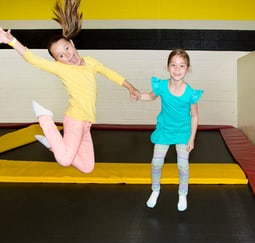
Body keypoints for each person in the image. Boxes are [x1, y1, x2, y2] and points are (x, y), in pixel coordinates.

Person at [0, 0, 140, 173]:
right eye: (61, 55)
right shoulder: (63, 69)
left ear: (72, 44)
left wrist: (130, 87)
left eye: (67, 48)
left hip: (86, 124)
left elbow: (110, 73)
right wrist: (11, 41)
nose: (67, 55)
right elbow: (33, 59)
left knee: (88, 167)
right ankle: (45, 118)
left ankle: (53, 144)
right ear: (57, 61)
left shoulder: (90, 62)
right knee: (65, 160)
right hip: (74, 120)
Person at [138, 49, 203, 211]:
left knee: (183, 165)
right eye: (173, 65)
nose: (177, 69)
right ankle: (155, 190)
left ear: (187, 69)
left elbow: (194, 116)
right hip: (164, 130)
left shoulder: (190, 94)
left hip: (183, 132)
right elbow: (150, 96)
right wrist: (138, 96)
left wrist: (192, 138)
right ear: (168, 67)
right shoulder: (161, 86)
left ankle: (182, 194)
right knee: (156, 163)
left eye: (182, 66)